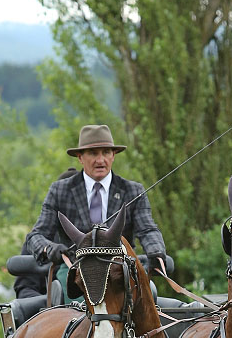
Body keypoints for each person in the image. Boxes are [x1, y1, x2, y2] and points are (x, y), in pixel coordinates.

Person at [25, 125, 167, 293]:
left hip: (121, 273)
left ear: (113, 155)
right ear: (80, 157)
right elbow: (35, 236)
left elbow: (148, 230)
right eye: (93, 153)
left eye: (106, 152)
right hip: (76, 273)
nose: (100, 160)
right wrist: (49, 248)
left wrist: (156, 251)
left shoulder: (133, 191)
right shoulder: (60, 190)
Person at [13, 167, 78, 300]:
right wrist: (51, 302)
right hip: (52, 308)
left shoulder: (97, 239)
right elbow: (25, 289)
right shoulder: (38, 240)